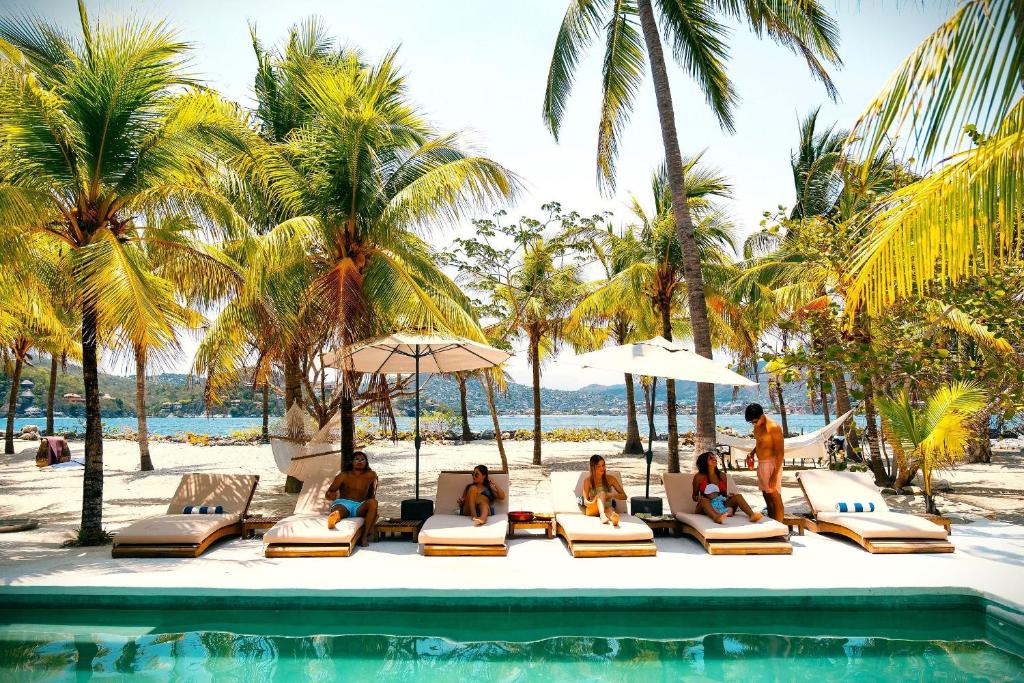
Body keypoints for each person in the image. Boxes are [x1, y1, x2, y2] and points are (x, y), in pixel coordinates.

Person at [691, 450, 762, 523]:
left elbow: (723, 496)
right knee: (704, 500)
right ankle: (716, 517)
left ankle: (752, 515)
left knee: (738, 496)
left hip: (720, 505)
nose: (714, 458)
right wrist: (698, 498)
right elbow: (694, 496)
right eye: (710, 458)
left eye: (714, 457)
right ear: (704, 462)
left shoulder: (722, 476)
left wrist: (728, 496)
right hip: (705, 507)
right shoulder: (699, 477)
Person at [325, 451, 379, 546]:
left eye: (362, 459)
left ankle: (364, 537)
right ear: (351, 462)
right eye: (357, 459)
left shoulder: (371, 475)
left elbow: (371, 493)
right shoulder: (343, 475)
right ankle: (334, 518)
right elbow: (329, 492)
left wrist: (373, 510)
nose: (360, 461)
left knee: (373, 502)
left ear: (366, 462)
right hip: (343, 503)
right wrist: (330, 495)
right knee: (339, 510)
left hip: (359, 506)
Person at [745, 403, 785, 522]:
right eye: (751, 422)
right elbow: (761, 442)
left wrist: (775, 474)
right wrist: (752, 453)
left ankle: (780, 528)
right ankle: (772, 524)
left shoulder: (773, 427)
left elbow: (780, 453)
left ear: (762, 416)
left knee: (775, 497)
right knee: (767, 496)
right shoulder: (757, 427)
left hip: (772, 464)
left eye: (755, 421)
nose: (754, 424)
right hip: (761, 463)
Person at [582, 454, 626, 527]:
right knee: (602, 493)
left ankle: (614, 519)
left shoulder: (611, 479)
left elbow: (624, 496)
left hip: (606, 507)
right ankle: (602, 515)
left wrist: (611, 495)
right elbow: (585, 502)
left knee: (609, 510)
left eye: (603, 465)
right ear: (592, 467)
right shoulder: (587, 481)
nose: (602, 468)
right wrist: (595, 499)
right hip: (593, 509)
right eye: (598, 466)